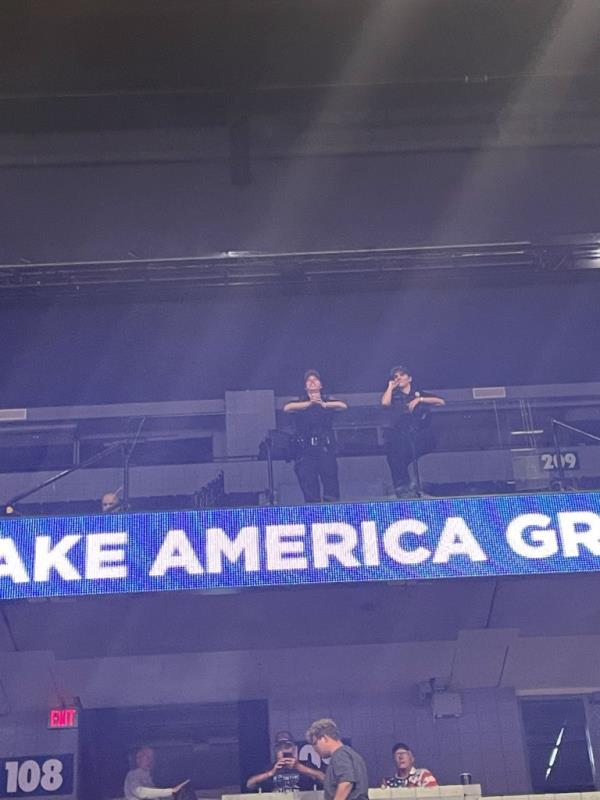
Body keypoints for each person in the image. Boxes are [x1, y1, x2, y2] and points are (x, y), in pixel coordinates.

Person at [283, 370, 347, 503]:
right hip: (305, 451)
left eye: (315, 379)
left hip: (325, 449)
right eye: (309, 380)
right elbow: (287, 408)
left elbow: (343, 406)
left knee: (330, 484)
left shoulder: (327, 401)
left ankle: (332, 513)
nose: (312, 382)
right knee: (309, 486)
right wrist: (309, 404)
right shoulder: (300, 403)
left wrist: (323, 404)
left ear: (321, 385)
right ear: (305, 386)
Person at [380, 365, 445, 498]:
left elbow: (441, 402)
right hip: (400, 435)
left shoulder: (418, 393)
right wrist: (390, 387)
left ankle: (418, 487)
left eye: (402, 375)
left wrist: (419, 400)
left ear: (409, 378)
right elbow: (385, 403)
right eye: (396, 376)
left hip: (418, 434)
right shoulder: (394, 395)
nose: (398, 378)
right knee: (397, 459)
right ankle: (404, 490)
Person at [305, 719, 368, 800]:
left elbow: (346, 782)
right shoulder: (349, 753)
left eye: (314, 743)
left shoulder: (340, 755)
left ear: (324, 738)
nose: (314, 749)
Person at [246, 741, 325, 792]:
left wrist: (300, 768)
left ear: (296, 754)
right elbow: (250, 784)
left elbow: (325, 780)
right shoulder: (269, 768)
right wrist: (271, 773)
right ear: (277, 756)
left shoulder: (306, 765)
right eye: (284, 756)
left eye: (290, 755)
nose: (287, 759)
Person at [124, 746, 189, 800]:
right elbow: (139, 791)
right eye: (147, 757)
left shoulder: (152, 775)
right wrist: (171, 791)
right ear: (138, 759)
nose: (151, 760)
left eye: (152, 757)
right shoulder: (133, 774)